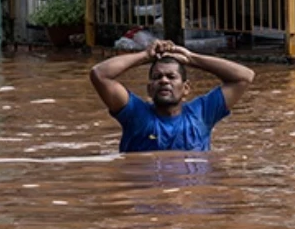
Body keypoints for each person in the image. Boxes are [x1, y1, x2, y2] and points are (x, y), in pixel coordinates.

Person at [89, 39, 256, 153]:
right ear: (149, 89)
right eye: (157, 77)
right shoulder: (136, 115)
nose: (163, 81)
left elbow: (244, 76)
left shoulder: (202, 113)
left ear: (186, 88)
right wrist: (145, 55)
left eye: (171, 77)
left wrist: (192, 58)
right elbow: (100, 74)